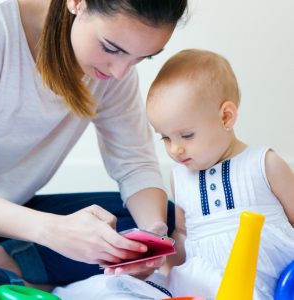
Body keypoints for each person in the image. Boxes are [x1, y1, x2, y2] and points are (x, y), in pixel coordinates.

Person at [53, 48, 294, 299]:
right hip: (201, 280)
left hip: (262, 279)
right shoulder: (181, 177)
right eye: (165, 138)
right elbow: (182, 234)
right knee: (117, 288)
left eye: (186, 135)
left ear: (226, 117)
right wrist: (157, 259)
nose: (175, 149)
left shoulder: (263, 163)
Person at [0, 0, 188, 291]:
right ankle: (14, 270)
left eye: (143, 58)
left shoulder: (114, 73)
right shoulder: (0, 33)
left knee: (167, 219)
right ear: (76, 3)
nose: (121, 72)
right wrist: (50, 230)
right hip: (15, 217)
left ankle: (9, 264)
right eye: (111, 48)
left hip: (12, 213)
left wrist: (151, 235)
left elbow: (135, 164)